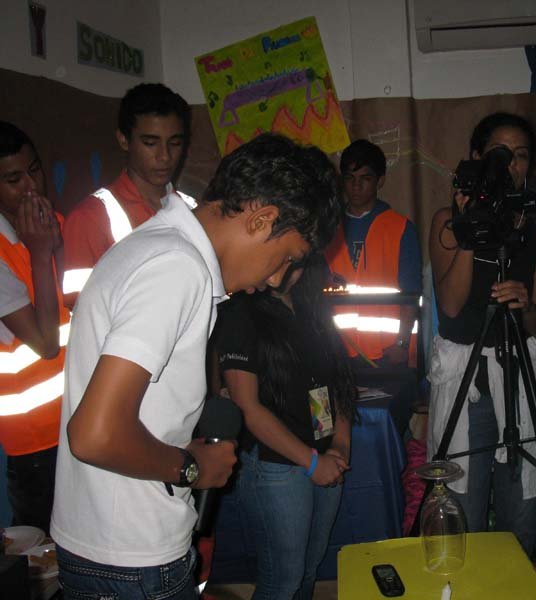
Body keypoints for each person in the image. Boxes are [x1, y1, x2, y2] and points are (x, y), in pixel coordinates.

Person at [51, 133, 340, 599]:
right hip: (131, 558)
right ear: (262, 219)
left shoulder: (160, 248)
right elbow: (93, 435)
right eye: (287, 258)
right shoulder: (177, 267)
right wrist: (190, 468)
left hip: (110, 547)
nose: (276, 279)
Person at [427, 112, 536, 555]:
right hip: (468, 386)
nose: (511, 166)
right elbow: (450, 307)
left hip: (519, 381)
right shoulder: (447, 221)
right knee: (462, 513)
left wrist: (526, 303)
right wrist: (472, 225)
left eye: (521, 156)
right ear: (477, 157)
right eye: (501, 155)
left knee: (518, 520)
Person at [215, 254, 356, 600]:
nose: (284, 270)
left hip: (324, 453)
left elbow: (338, 382)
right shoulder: (240, 312)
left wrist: (340, 444)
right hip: (275, 464)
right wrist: (312, 462)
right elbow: (247, 407)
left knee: (308, 570)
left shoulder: (312, 307)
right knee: (283, 580)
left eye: (296, 258)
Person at [0, 122, 70, 533]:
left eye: (34, 170)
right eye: (14, 180)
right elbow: (46, 342)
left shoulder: (53, 223)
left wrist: (53, 245)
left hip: (79, 417)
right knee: (46, 552)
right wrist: (42, 252)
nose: (31, 187)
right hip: (36, 441)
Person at [62, 82, 194, 301]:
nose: (164, 156)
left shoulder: (193, 209)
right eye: (150, 143)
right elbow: (80, 305)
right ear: (124, 140)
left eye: (175, 143)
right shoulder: (89, 218)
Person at [325, 139, 422, 367]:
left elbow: (412, 293)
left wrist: (402, 343)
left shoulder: (400, 228)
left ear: (380, 181)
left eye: (365, 178)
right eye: (350, 178)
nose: (356, 186)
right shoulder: (328, 227)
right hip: (338, 351)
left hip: (388, 353)